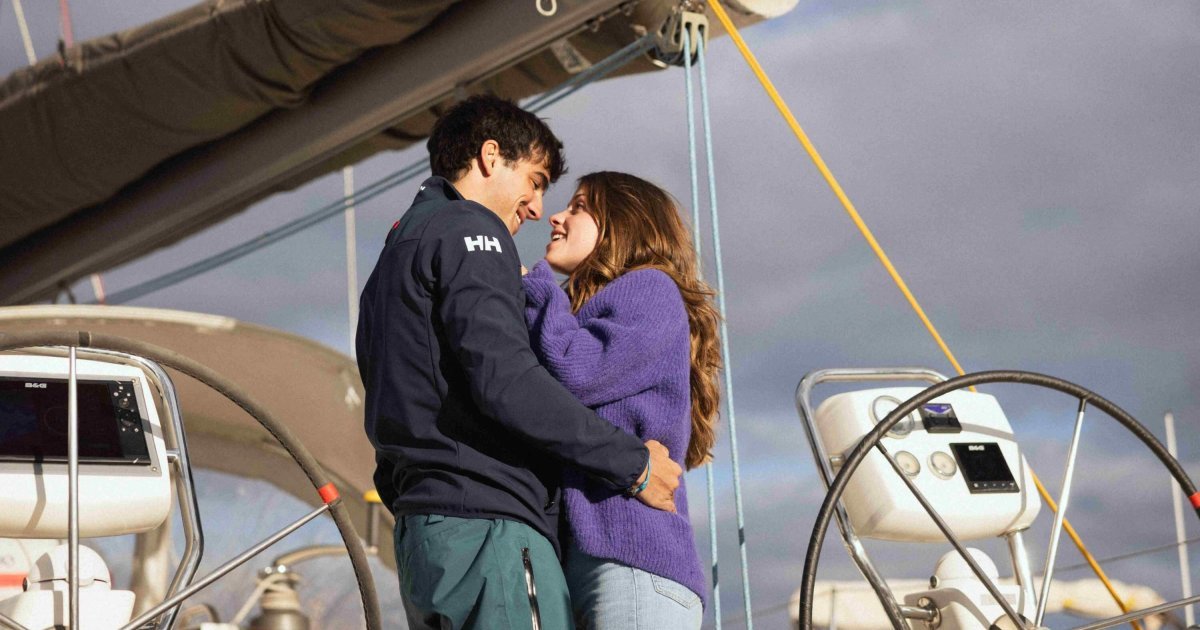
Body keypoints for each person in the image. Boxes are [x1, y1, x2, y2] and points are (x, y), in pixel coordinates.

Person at [356, 97, 683, 630]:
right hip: (489, 530)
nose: (536, 208)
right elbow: (506, 380)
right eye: (534, 181)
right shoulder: (471, 229)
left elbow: (387, 403)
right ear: (490, 157)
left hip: (425, 536)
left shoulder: (396, 254)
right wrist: (634, 464)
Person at [521, 171, 722, 629]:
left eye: (578, 207)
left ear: (623, 223)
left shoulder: (649, 287)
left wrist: (536, 289)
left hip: (633, 562)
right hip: (598, 565)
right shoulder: (587, 309)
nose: (556, 216)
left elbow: (578, 372)